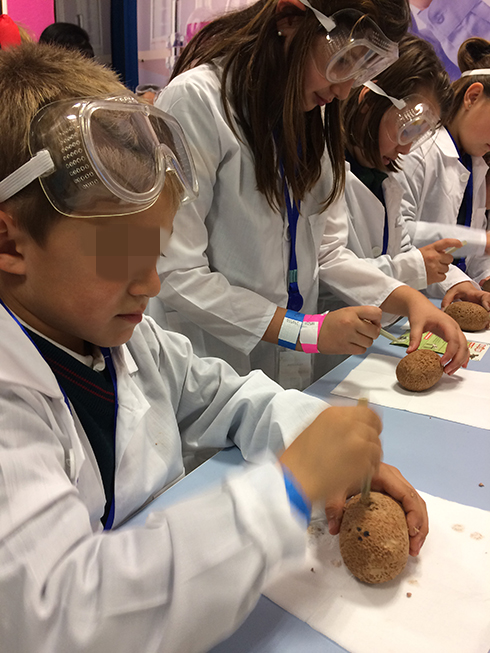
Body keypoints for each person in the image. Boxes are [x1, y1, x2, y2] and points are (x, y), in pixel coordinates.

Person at [0, 41, 428, 653]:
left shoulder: (132, 341)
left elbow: (227, 397)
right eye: (120, 254)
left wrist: (319, 441)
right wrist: (285, 492)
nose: (152, 284)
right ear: (10, 245)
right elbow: (64, 616)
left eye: (154, 252)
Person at [147, 0, 468, 390]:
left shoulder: (309, 116)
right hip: (212, 368)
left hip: (286, 370)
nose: (345, 89)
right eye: (344, 60)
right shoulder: (197, 101)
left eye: (363, 69)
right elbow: (176, 273)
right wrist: (304, 331)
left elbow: (325, 252)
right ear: (289, 17)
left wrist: (409, 299)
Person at [332, 33, 490, 313]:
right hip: (332, 325)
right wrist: (476, 244)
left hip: (387, 319)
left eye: (418, 134)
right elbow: (330, 268)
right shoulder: (332, 170)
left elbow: (404, 248)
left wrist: (459, 283)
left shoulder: (386, 178)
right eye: (408, 129)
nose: (406, 149)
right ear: (369, 100)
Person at [397, 37, 490, 303]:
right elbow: (400, 236)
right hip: (408, 301)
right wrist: (458, 281)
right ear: (473, 97)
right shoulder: (418, 148)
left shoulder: (476, 162)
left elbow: (473, 255)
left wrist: (485, 279)